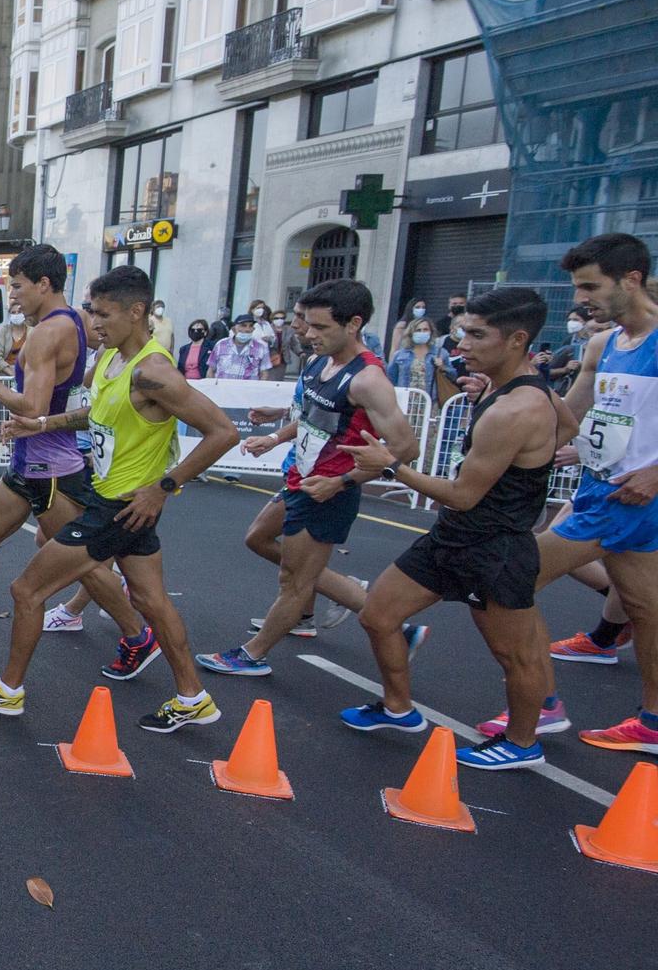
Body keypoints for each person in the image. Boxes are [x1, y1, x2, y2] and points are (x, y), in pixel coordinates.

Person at [0, 266, 240, 731]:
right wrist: (41, 424)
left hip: (120, 507)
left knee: (26, 589)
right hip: (119, 504)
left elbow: (223, 433)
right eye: (92, 313)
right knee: (151, 601)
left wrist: (164, 487)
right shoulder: (112, 360)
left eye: (104, 315)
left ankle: (9, 690)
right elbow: (94, 415)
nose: (94, 324)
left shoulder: (154, 371)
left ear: (137, 312)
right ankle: (193, 697)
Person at [339, 287, 564, 769]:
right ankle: (399, 709)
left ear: (517, 340)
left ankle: (523, 745)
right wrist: (536, 451)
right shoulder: (515, 393)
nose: (462, 343)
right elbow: (564, 426)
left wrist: (389, 466)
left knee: (515, 656)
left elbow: (463, 493)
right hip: (453, 536)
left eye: (478, 334)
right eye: (462, 331)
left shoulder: (515, 409)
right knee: (378, 615)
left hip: (495, 546)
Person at [0, 244, 149, 672]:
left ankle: (137, 635)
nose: (12, 296)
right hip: (29, 463)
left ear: (44, 283)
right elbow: (78, 378)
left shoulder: (46, 333)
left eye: (17, 286)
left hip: (50, 470)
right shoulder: (75, 319)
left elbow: (32, 406)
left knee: (83, 563)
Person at [195, 280, 420, 676]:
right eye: (306, 323)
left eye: (319, 327)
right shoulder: (321, 361)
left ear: (353, 324)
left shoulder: (368, 380)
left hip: (328, 490)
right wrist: (275, 435)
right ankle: (372, 612)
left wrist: (343, 482)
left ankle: (253, 655)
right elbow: (315, 418)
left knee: (295, 583)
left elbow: (405, 448)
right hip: (301, 479)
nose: (308, 334)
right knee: (258, 539)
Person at [503, 233, 658, 754]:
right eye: (577, 287)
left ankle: (541, 703)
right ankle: (654, 722)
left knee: (513, 577)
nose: (581, 299)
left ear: (631, 280)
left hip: (629, 499)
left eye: (591, 287)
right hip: (602, 488)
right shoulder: (602, 344)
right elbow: (568, 416)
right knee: (644, 606)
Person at [387, 314, 443, 398]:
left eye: (425, 330)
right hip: (404, 400)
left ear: (431, 332)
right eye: (418, 330)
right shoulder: (400, 355)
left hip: (430, 401)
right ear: (411, 333)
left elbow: (452, 376)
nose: (422, 332)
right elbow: (390, 379)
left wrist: (443, 367)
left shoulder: (440, 353)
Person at [543, 306, 594, 394]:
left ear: (587, 321)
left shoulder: (595, 341)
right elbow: (548, 371)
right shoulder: (568, 342)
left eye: (575, 320)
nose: (571, 323)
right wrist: (566, 369)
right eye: (570, 320)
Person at [208, 312, 272, 380]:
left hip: (248, 389)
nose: (247, 329)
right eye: (243, 325)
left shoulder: (261, 348)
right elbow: (211, 371)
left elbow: (264, 374)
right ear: (234, 329)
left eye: (251, 326)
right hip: (223, 389)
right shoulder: (221, 345)